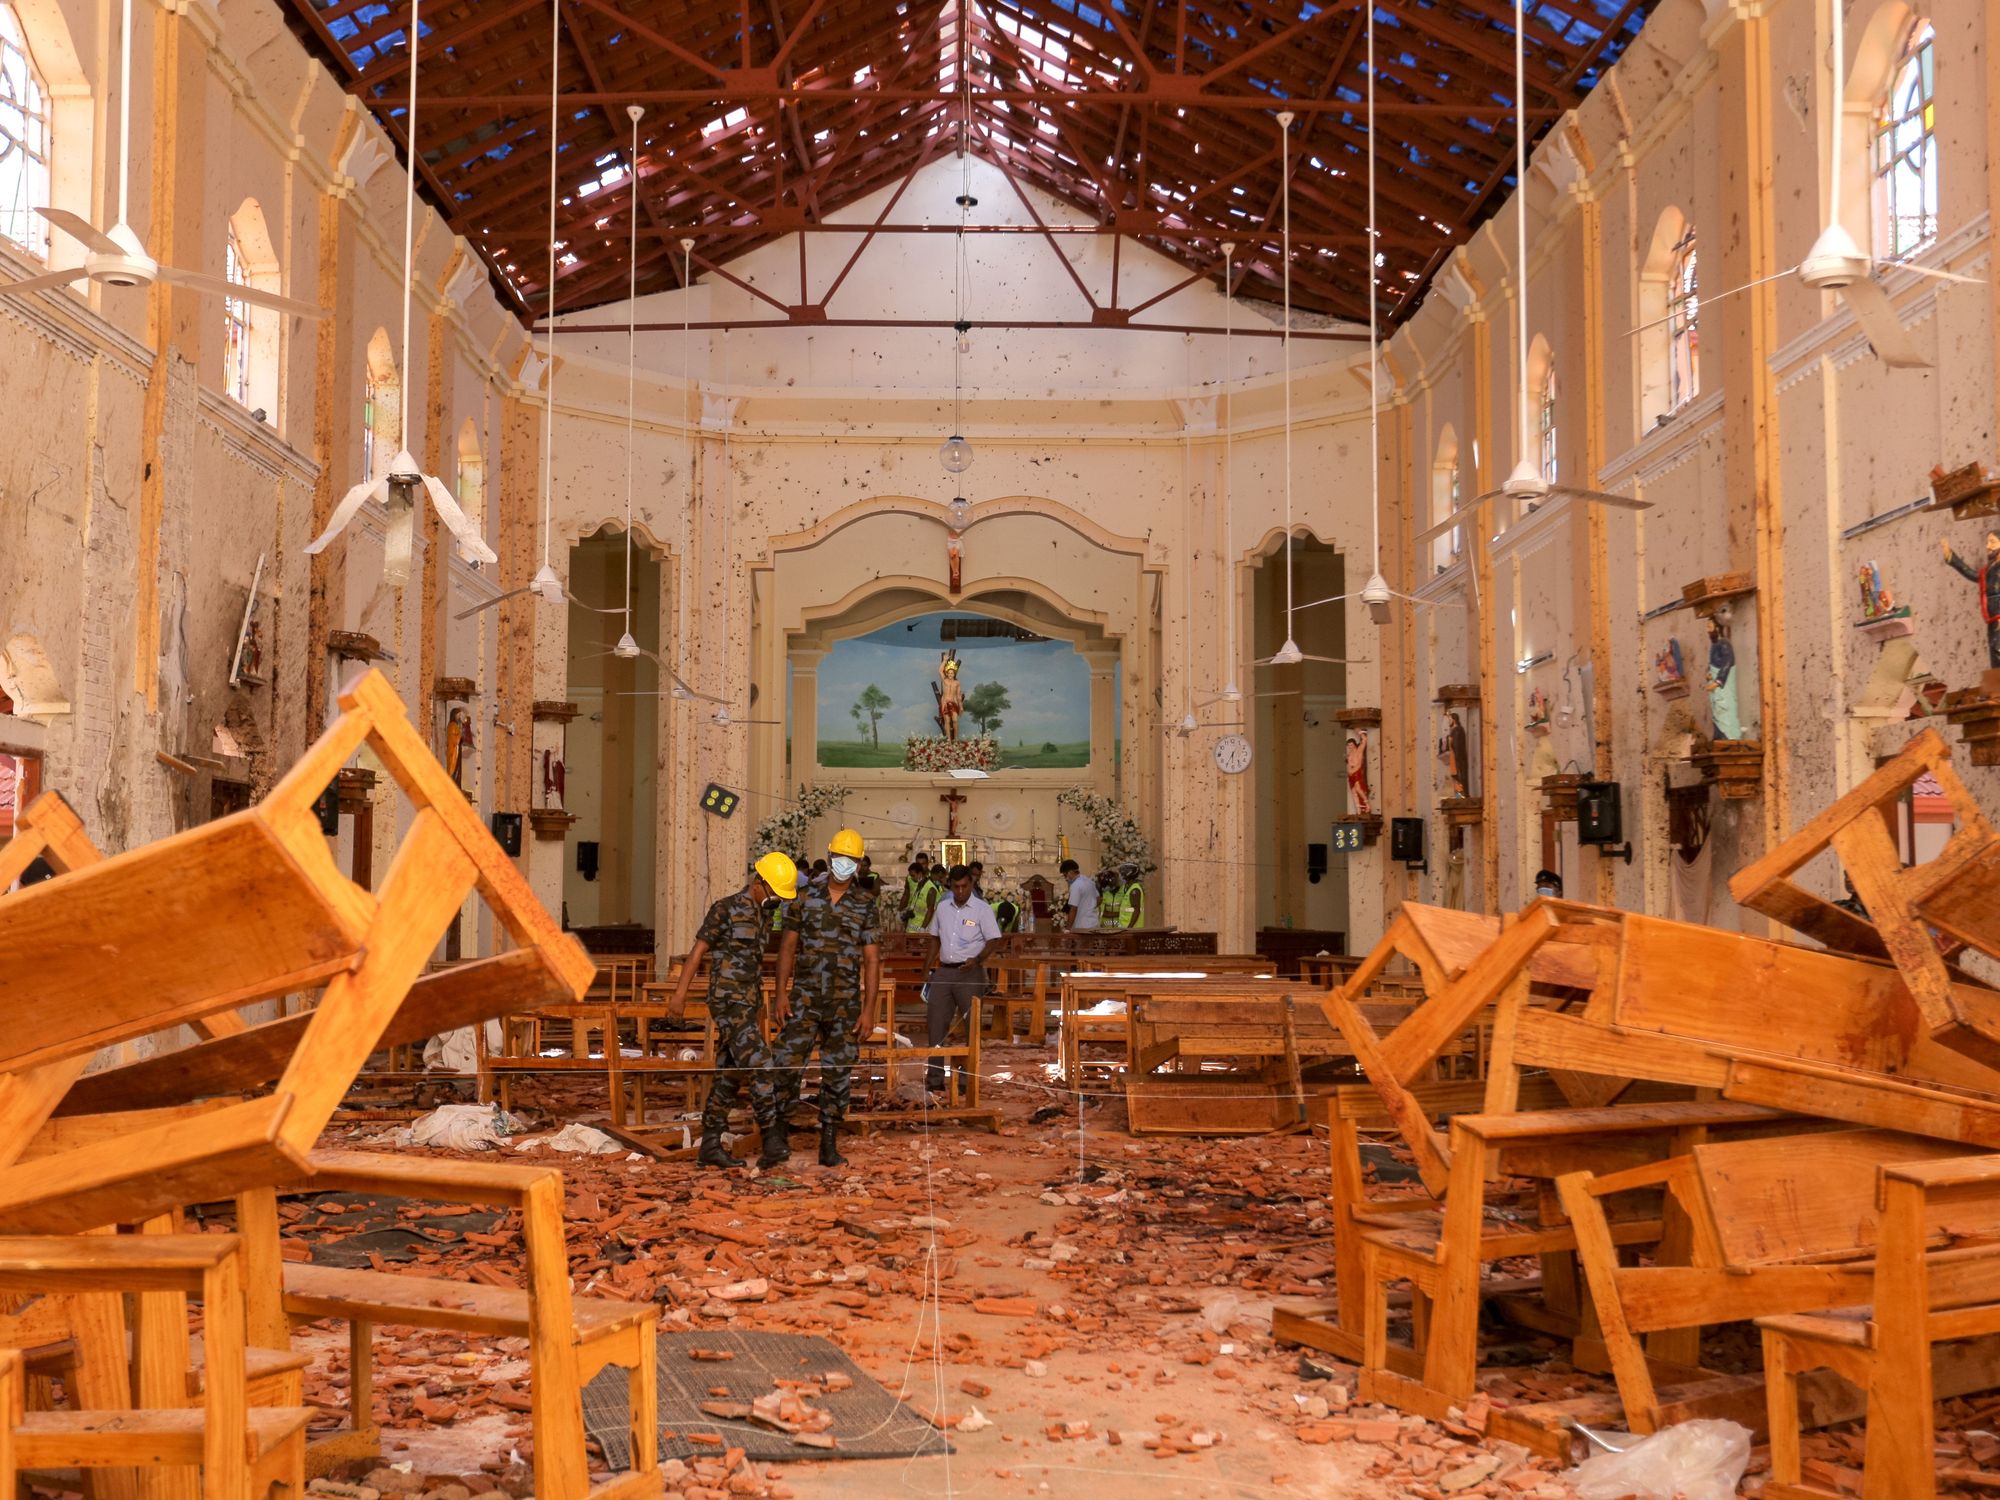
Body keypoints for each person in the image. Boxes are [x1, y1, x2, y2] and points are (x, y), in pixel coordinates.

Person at [670, 851, 799, 1170]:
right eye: (775, 895)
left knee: (728, 1074)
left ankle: (710, 1145)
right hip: (727, 1001)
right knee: (761, 1063)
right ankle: (771, 1140)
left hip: (748, 1002)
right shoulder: (724, 908)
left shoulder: (763, 914)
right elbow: (697, 952)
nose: (777, 902)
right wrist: (679, 996)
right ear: (759, 883)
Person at [773, 828, 880, 1167]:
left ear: (860, 864)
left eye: (851, 860)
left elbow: (872, 959)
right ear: (830, 856)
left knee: (838, 1073)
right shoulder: (805, 897)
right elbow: (787, 947)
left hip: (844, 1002)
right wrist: (780, 995)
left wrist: (869, 1010)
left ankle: (829, 1141)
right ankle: (776, 1137)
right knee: (786, 1065)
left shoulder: (865, 904)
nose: (843, 864)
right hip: (803, 999)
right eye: (839, 858)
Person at [924, 865, 1000, 1093]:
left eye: (964, 886)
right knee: (936, 1025)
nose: (960, 891)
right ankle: (935, 1079)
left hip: (970, 973)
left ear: (972, 884)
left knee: (971, 1027)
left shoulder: (982, 909)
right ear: (950, 885)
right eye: (955, 887)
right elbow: (935, 939)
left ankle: (967, 1081)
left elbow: (994, 940)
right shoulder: (942, 908)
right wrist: (927, 967)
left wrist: (977, 960)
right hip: (944, 971)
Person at [1059, 858, 1099, 931]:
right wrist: (1089, 908)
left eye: (1065, 875)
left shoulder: (1076, 885)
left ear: (1070, 872)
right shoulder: (1089, 880)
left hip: (1082, 927)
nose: (1065, 879)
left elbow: (1073, 909)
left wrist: (1068, 929)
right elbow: (1099, 899)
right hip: (1093, 923)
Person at [903, 859, 940, 933]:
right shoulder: (919, 885)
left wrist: (923, 928)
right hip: (912, 927)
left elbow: (930, 910)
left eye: (913, 876)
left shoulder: (930, 888)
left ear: (920, 874)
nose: (912, 878)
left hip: (921, 928)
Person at [1113, 862, 1146, 929]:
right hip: (1124, 927)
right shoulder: (1126, 887)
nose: (1121, 875)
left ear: (1128, 874)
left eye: (1122, 873)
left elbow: (1136, 910)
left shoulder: (1135, 890)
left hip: (1132, 929)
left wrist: (1129, 928)